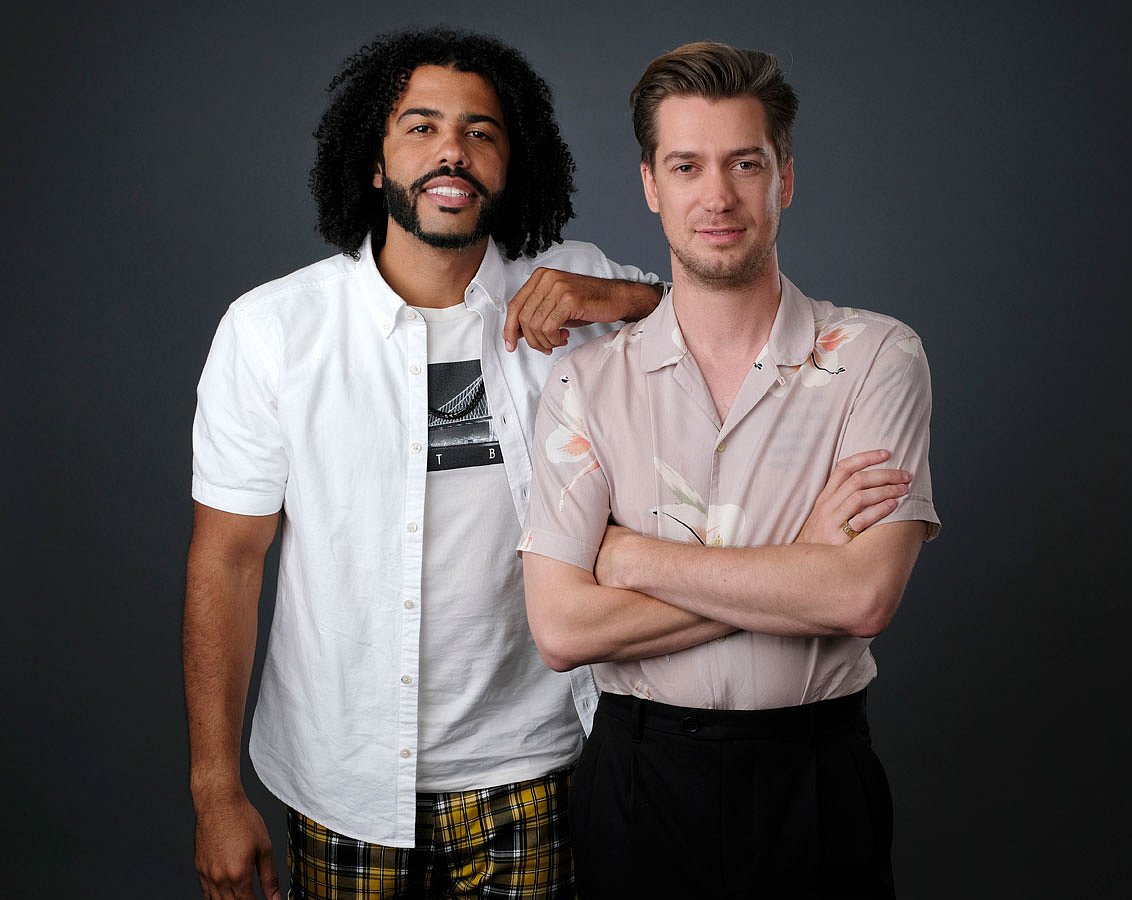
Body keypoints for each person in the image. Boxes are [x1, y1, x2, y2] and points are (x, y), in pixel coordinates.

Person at [185, 26, 909, 900]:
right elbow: (227, 561)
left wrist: (617, 296)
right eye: (419, 127)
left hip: (535, 767)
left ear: (508, 164)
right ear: (371, 161)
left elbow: (715, 287)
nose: (451, 150)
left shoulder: (575, 285)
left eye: (481, 132)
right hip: (344, 776)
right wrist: (215, 788)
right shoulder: (272, 332)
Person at [520, 41, 940, 899]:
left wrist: (632, 558)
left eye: (744, 163)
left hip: (815, 780)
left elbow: (860, 599)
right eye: (687, 166)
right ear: (651, 185)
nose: (717, 196)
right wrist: (799, 566)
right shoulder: (586, 380)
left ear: (784, 175)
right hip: (638, 781)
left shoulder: (877, 357)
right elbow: (562, 629)